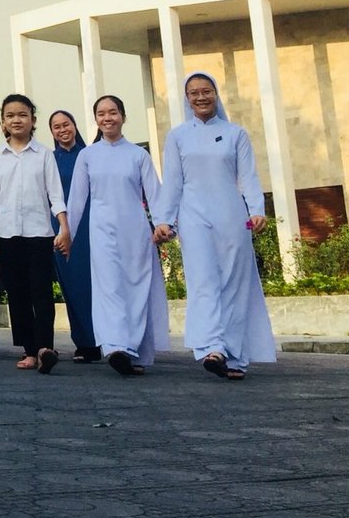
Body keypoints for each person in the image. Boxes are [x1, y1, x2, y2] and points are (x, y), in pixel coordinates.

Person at [154, 73, 276, 381]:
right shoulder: (178, 136)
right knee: (203, 280)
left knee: (234, 283)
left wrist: (257, 211)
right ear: (187, 99)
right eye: (194, 93)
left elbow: (248, 177)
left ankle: (234, 356)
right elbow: (172, 182)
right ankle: (213, 347)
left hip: (232, 215)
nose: (201, 97)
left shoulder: (236, 134)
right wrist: (164, 220)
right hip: (193, 216)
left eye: (206, 91)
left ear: (215, 94)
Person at [65, 94, 170, 377]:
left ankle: (135, 351)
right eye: (101, 113)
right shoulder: (88, 156)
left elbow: (155, 193)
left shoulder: (138, 155)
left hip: (136, 232)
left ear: (123, 116)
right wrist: (67, 234)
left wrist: (162, 223)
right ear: (95, 119)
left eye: (112, 112)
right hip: (102, 231)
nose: (107, 118)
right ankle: (116, 346)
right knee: (108, 287)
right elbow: (77, 200)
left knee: (136, 288)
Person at [0, 94, 71, 374]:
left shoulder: (44, 154)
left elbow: (55, 195)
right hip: (6, 234)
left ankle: (45, 348)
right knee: (17, 293)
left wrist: (64, 227)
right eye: (10, 115)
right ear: (2, 122)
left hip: (39, 233)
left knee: (41, 291)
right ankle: (29, 351)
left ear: (33, 120)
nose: (16, 120)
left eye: (22, 114)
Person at [48, 109, 101, 363]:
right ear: (51, 132)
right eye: (56, 127)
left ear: (75, 125)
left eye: (66, 124)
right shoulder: (50, 160)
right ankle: (85, 342)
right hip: (62, 229)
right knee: (73, 286)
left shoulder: (90, 155)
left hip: (91, 225)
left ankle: (106, 338)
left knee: (97, 284)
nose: (63, 130)